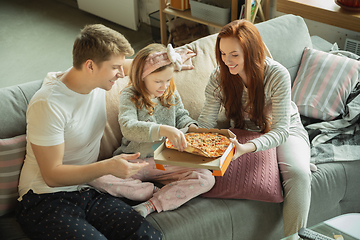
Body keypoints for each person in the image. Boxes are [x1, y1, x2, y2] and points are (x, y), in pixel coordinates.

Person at [16, 24, 162, 240]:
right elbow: (52, 175)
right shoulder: (48, 104)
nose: (122, 74)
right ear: (90, 66)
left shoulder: (95, 80)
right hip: (44, 199)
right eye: (115, 68)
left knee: (148, 236)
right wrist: (108, 167)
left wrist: (172, 57)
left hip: (87, 189)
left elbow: (141, 65)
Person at [197, 19, 313, 238]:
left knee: (299, 174)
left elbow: (280, 131)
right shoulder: (218, 77)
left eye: (234, 54)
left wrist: (247, 148)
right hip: (245, 133)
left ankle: (294, 238)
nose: (227, 61)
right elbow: (206, 122)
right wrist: (185, 133)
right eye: (222, 53)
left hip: (283, 130)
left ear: (250, 52)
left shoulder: (277, 75)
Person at [89, 43, 215, 218]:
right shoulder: (130, 96)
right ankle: (152, 190)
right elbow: (128, 127)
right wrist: (162, 130)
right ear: (142, 77)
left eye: (168, 80)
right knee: (95, 176)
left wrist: (192, 128)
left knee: (207, 179)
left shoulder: (169, 91)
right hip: (136, 160)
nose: (164, 86)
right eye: (158, 81)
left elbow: (181, 116)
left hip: (167, 161)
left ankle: (151, 204)